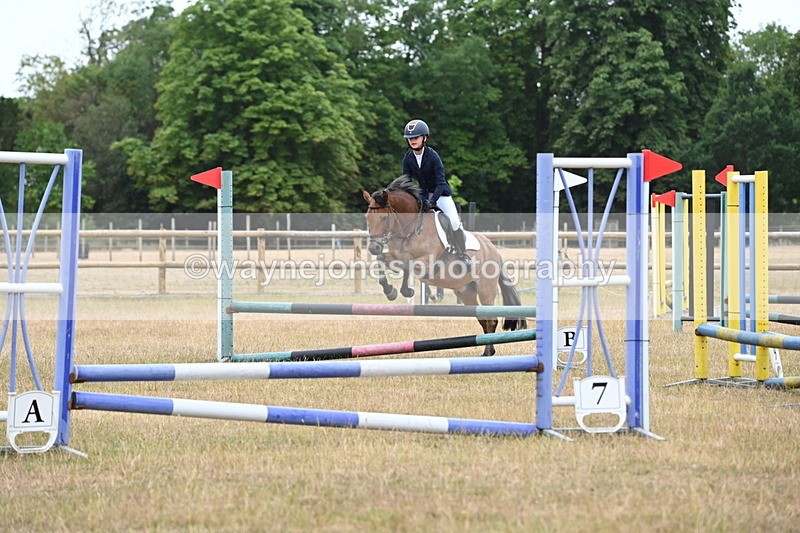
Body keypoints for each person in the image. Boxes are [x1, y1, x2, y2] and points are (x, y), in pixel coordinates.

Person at [401, 119, 470, 263]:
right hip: (423, 194)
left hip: (441, 194)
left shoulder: (433, 156)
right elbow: (406, 181)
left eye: (415, 137)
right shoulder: (408, 159)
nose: (412, 141)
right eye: (410, 138)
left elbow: (440, 182)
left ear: (424, 138)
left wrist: (431, 202)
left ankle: (463, 254)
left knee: (454, 222)